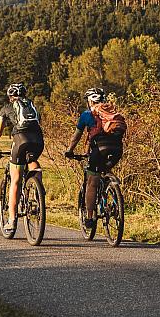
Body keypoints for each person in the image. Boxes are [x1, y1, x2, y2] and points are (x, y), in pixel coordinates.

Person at [65, 87, 126, 229]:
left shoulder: (87, 114)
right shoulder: (112, 112)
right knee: (105, 169)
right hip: (117, 149)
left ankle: (90, 217)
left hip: (100, 149)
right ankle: (111, 184)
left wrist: (69, 150)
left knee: (92, 182)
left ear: (90, 100)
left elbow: (77, 137)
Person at [0, 83, 44, 231]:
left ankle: (11, 220)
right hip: (38, 141)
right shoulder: (31, 106)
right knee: (32, 162)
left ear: (10, 96)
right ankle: (38, 192)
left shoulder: (6, 108)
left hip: (21, 141)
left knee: (16, 179)